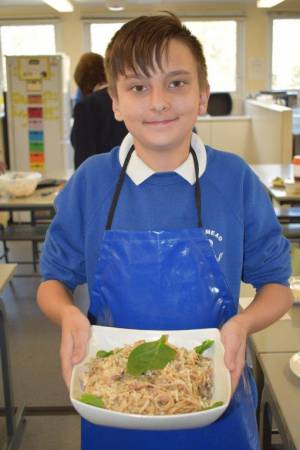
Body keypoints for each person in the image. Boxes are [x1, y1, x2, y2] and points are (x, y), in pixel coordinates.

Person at [37, 13, 293, 450]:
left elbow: (277, 287)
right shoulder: (92, 182)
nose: (158, 101)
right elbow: (53, 282)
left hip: (216, 393)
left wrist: (241, 325)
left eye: (176, 83)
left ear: (202, 96)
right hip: (112, 398)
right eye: (138, 87)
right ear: (115, 102)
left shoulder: (233, 179)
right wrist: (69, 316)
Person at [71, 52, 128, 168]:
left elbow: (83, 158)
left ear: (83, 83)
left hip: (101, 177)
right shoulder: (126, 97)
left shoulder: (86, 106)